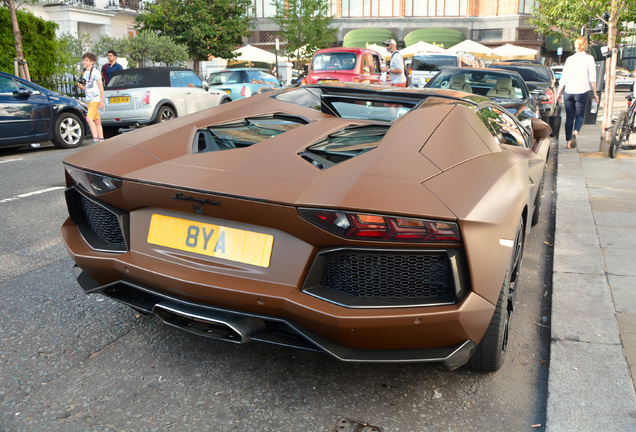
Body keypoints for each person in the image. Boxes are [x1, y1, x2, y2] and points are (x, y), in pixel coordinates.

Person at [556, 36, 599, 149]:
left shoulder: (570, 59)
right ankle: (575, 132)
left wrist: (559, 92)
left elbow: (564, 77)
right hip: (582, 91)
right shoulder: (589, 59)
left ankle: (568, 143)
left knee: (569, 117)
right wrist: (595, 93)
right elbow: (592, 78)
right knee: (580, 116)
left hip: (569, 91)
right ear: (586, 46)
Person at [78, 52, 105, 143]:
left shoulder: (95, 72)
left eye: (86, 60)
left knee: (89, 119)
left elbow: (101, 87)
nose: (84, 62)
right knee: (96, 120)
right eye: (84, 60)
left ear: (92, 62)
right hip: (88, 99)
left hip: (95, 99)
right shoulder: (84, 72)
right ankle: (101, 139)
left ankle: (95, 139)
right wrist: (82, 87)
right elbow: (86, 87)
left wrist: (102, 101)